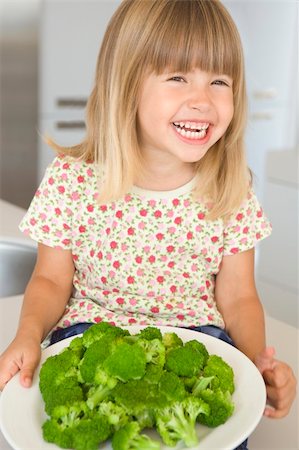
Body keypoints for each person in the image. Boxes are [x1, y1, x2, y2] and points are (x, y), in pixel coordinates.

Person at [0, 1, 296, 447]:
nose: (203, 100)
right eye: (178, 77)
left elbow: (238, 295)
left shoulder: (231, 188)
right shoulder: (72, 180)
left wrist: (257, 362)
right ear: (127, 85)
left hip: (199, 342)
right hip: (89, 335)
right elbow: (49, 279)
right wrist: (27, 334)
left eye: (220, 81)